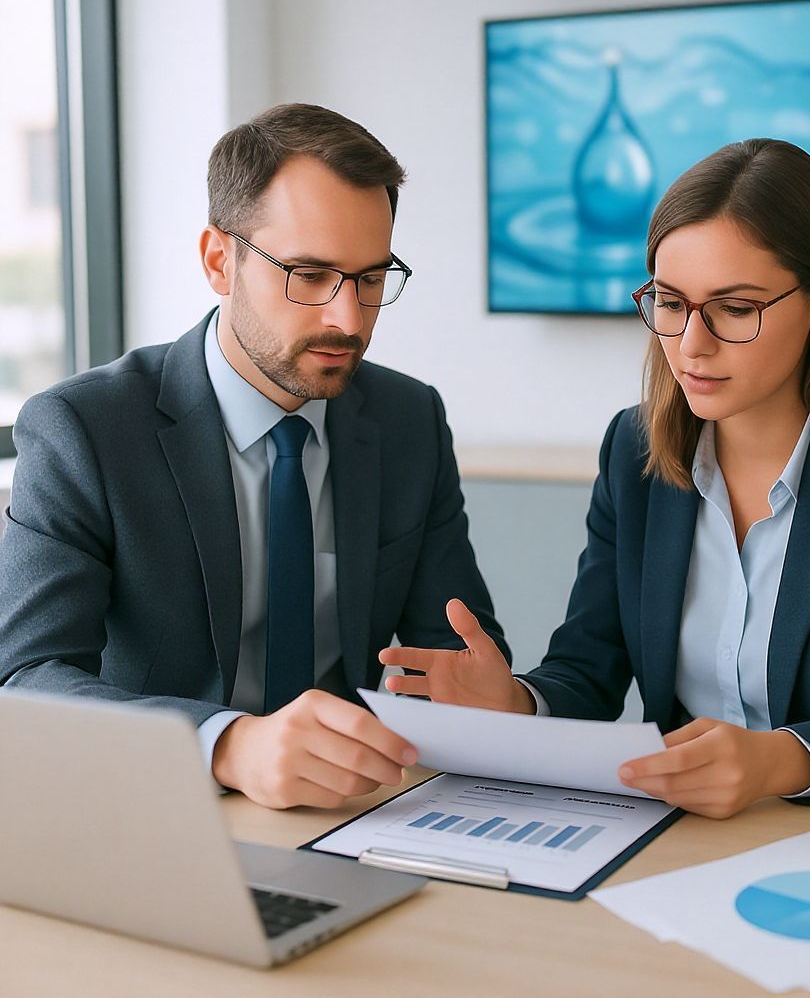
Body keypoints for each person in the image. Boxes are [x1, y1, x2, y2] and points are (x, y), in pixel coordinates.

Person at [381, 138, 810, 818]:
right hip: (679, 838)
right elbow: (588, 670)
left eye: (735, 309)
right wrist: (517, 702)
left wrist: (779, 759)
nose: (691, 344)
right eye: (671, 304)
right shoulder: (635, 449)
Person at [0, 103, 509, 810]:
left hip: (358, 810)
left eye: (369, 278)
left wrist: (495, 696)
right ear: (219, 260)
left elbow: (454, 664)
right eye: (308, 274)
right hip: (161, 809)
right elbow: (24, 681)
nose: (348, 319)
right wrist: (228, 744)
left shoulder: (408, 420)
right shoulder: (83, 430)